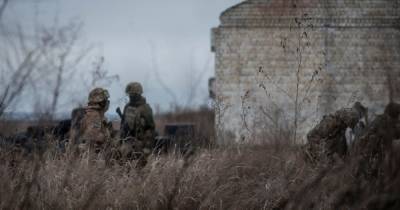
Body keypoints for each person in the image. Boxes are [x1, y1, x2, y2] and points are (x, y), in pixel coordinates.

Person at [353, 102, 400, 179]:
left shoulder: (384, 120)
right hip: (373, 151)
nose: (398, 119)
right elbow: (395, 134)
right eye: (397, 116)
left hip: (376, 152)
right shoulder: (382, 122)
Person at [118, 82, 155, 165]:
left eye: (133, 95)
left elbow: (150, 129)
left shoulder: (145, 109)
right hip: (127, 142)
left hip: (140, 143)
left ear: (138, 94)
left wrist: (147, 148)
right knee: (122, 164)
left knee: (139, 168)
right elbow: (122, 125)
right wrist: (120, 141)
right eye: (130, 95)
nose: (131, 97)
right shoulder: (127, 107)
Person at [76, 88, 112, 156]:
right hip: (92, 158)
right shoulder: (94, 116)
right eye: (106, 100)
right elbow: (94, 138)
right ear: (102, 103)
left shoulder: (93, 114)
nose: (108, 103)